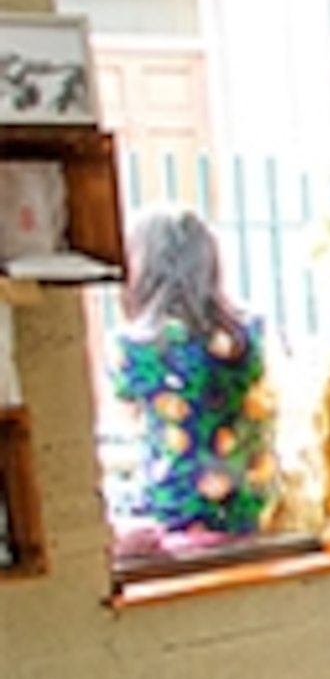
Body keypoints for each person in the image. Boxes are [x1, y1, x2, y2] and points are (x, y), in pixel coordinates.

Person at [111, 206, 277, 549]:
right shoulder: (250, 335)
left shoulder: (136, 347)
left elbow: (129, 419)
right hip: (251, 515)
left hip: (173, 517)